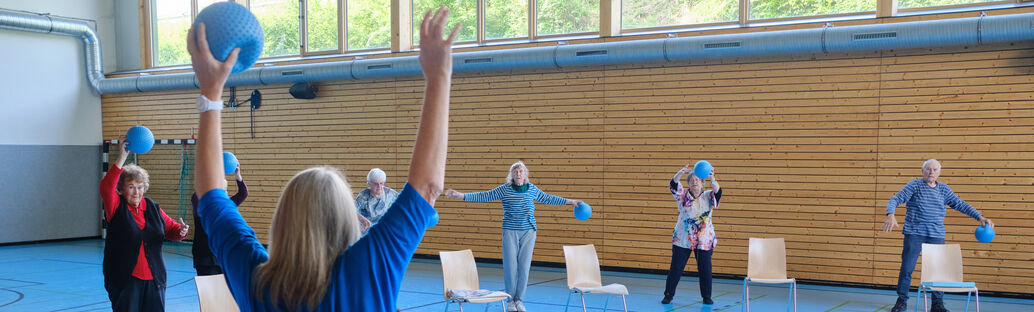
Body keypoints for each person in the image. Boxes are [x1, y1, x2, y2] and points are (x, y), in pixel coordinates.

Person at [190, 7, 458, 311]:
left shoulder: (255, 277)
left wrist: (211, 92)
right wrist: (439, 77)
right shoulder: (371, 265)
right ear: (345, 218)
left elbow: (211, 196)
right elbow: (428, 187)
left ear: (283, 220)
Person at [444, 161, 584, 312]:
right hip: (510, 231)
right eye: (515, 171)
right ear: (511, 175)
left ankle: (519, 300)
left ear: (525, 174)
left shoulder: (532, 189)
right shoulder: (504, 190)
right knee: (511, 268)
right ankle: (510, 301)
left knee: (524, 268)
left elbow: (549, 198)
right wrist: (460, 195)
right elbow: (484, 196)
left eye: (521, 171)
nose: (518, 174)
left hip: (529, 231)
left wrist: (571, 201)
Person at [883, 159, 993, 312]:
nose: (931, 172)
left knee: (938, 271)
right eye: (928, 169)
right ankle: (901, 301)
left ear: (939, 172)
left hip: (936, 235)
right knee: (907, 268)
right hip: (914, 234)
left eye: (935, 169)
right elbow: (895, 199)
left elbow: (960, 204)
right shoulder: (914, 185)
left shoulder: (944, 189)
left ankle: (937, 304)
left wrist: (979, 217)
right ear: (922, 171)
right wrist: (890, 214)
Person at [100, 138, 189, 311]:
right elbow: (106, 187)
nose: (137, 191)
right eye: (131, 187)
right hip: (125, 279)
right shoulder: (116, 207)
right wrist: (122, 157)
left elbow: (171, 229)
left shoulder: (152, 207)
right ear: (121, 189)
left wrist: (181, 231)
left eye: (140, 187)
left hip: (154, 279)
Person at [662, 164, 721, 305]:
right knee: (676, 268)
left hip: (704, 240)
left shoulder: (708, 196)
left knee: (705, 269)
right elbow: (673, 184)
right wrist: (680, 173)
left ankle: (707, 296)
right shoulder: (683, 196)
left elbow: (718, 193)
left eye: (697, 180)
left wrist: (713, 178)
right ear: (688, 183)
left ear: (702, 183)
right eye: (691, 180)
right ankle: (668, 295)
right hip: (683, 238)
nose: (694, 182)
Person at [191, 166, 248, 276]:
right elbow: (196, 196)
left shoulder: (227, 206)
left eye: (224, 190)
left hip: (223, 256)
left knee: (223, 291)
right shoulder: (201, 206)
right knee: (208, 291)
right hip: (204, 258)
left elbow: (243, 194)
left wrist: (237, 176)